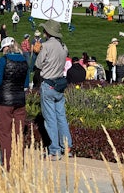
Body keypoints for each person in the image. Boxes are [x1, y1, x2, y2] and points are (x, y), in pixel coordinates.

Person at [35, 20, 72, 160]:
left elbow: (38, 64)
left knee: (50, 118)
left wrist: (37, 52)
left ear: (48, 32)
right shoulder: (64, 46)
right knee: (61, 117)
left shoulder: (46, 45)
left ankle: (54, 150)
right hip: (59, 83)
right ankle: (66, 146)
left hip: (48, 83)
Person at [0, 36, 30, 169]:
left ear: (7, 48)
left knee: (5, 132)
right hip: (20, 100)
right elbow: (26, 83)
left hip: (5, 100)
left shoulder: (4, 60)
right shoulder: (25, 61)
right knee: (19, 132)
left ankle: (8, 163)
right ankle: (19, 161)